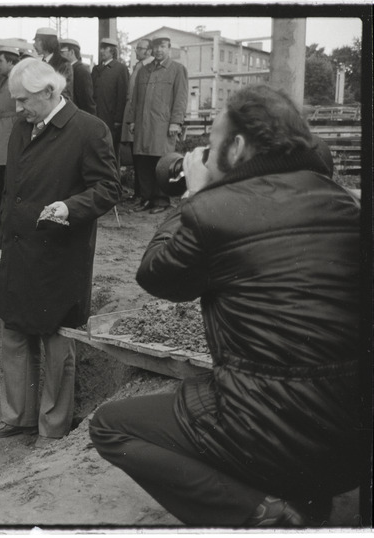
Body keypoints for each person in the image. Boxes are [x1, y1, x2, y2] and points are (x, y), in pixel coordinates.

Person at [89, 85, 362, 527]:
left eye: (211, 144)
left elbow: (157, 276)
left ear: (236, 147)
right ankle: (307, 498)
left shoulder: (213, 210)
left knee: (111, 425)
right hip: (350, 438)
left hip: (271, 432)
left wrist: (193, 196)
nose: (205, 153)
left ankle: (259, 512)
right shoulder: (345, 202)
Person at [0, 59, 120, 447]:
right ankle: (17, 417)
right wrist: (1, 241)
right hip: (17, 249)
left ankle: (52, 427)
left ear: (49, 92)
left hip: (60, 254)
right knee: (14, 333)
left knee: (57, 340)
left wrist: (69, 208)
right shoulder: (21, 129)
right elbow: (10, 194)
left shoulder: (89, 130)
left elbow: (109, 188)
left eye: (24, 100)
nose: (18, 109)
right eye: (15, 101)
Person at [127, 36, 188, 214]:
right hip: (143, 124)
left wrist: (176, 122)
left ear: (169, 48)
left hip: (163, 125)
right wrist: (132, 120)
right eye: (156, 47)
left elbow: (181, 98)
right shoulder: (144, 71)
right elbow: (135, 99)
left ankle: (161, 201)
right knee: (143, 161)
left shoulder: (177, 70)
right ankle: (146, 198)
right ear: (152, 50)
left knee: (162, 163)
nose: (159, 50)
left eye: (163, 47)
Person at [121, 38, 154, 204]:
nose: (137, 51)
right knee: (136, 156)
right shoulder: (138, 67)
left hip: (142, 118)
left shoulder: (149, 68)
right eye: (137, 48)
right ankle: (138, 193)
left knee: (143, 158)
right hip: (132, 116)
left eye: (140, 49)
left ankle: (144, 194)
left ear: (149, 51)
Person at [91, 37, 128, 168]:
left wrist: (118, 119)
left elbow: (122, 95)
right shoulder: (96, 70)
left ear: (112, 51)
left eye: (105, 48)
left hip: (111, 120)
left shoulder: (120, 68)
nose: (102, 51)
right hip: (96, 118)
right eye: (101, 48)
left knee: (111, 153)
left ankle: (114, 183)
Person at [0, 48, 20, 214]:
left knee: (10, 168)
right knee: (2, 169)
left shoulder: (16, 79)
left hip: (10, 126)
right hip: (1, 127)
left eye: (0, 61)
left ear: (10, 62)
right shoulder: (3, 80)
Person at [32, 27, 73, 100]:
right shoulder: (40, 64)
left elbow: (65, 94)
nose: (34, 45)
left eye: (37, 41)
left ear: (47, 42)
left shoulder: (64, 64)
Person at [59, 38, 96, 115]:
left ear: (72, 52)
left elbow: (87, 99)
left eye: (62, 52)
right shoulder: (64, 69)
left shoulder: (81, 71)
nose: (59, 55)